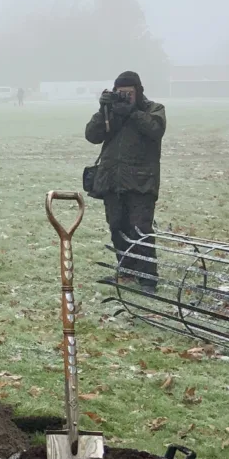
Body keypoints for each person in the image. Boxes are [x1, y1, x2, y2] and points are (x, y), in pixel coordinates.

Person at [85, 71, 166, 294]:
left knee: (141, 229)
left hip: (141, 182)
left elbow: (155, 130)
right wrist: (104, 111)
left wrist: (132, 113)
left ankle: (148, 279)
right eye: (121, 93)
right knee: (117, 227)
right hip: (111, 179)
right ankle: (127, 272)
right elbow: (92, 136)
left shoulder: (153, 109)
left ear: (138, 91)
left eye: (129, 93)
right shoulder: (110, 111)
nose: (125, 97)